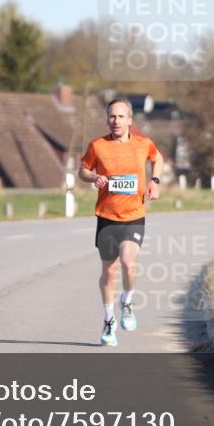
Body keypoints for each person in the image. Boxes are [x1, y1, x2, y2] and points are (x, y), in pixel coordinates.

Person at [78, 98, 164, 346]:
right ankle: (108, 321)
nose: (116, 121)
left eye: (120, 116)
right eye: (112, 117)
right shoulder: (98, 146)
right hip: (106, 217)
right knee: (109, 271)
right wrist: (93, 177)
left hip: (134, 215)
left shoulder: (142, 144)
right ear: (108, 120)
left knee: (128, 263)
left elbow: (157, 159)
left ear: (129, 120)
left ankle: (126, 301)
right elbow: (82, 171)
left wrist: (154, 182)